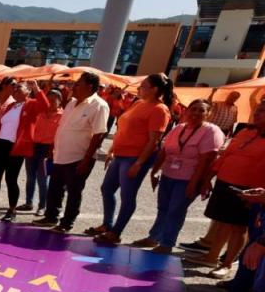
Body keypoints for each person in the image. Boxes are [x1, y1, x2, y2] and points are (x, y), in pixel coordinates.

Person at [131, 100, 222, 254]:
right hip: (168, 175)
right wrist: (155, 171)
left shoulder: (211, 131)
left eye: (201, 110)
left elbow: (206, 161)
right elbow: (164, 151)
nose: (196, 113)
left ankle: (167, 243)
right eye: (193, 109)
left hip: (188, 178)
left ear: (208, 114)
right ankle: (154, 237)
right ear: (187, 111)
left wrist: (194, 183)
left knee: (175, 211)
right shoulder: (179, 128)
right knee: (163, 209)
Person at [92, 73, 173, 245]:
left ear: (154, 89)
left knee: (127, 195)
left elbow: (154, 140)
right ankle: (107, 224)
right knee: (107, 189)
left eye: (143, 86)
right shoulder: (138, 103)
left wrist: (139, 163)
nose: (139, 88)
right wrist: (112, 150)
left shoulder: (160, 109)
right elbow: (122, 128)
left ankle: (116, 232)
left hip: (134, 157)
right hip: (120, 155)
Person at [187, 100, 265, 277]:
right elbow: (225, 155)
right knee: (221, 222)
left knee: (239, 227)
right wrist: (209, 177)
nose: (257, 113)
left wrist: (256, 194)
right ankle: (211, 257)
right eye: (257, 110)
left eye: (262, 111)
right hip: (225, 182)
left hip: (249, 190)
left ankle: (227, 264)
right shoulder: (245, 131)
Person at [34, 71, 110, 233]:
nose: (74, 86)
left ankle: (67, 222)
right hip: (60, 154)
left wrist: (86, 160)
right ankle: (51, 216)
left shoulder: (99, 105)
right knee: (55, 188)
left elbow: (98, 135)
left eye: (78, 84)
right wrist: (53, 147)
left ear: (89, 86)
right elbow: (61, 126)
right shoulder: (71, 103)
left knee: (74, 191)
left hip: (79, 157)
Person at [0, 79, 51, 222]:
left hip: (15, 146)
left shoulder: (31, 104)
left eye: (19, 87)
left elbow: (46, 107)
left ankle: (12, 210)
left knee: (11, 179)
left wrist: (36, 88)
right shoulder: (11, 105)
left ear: (28, 91)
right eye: (14, 87)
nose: (15, 89)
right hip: (1, 144)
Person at [21, 89, 62, 214]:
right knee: (30, 177)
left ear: (60, 101)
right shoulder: (39, 113)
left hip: (47, 149)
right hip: (33, 146)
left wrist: (53, 151)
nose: (50, 102)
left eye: (53, 100)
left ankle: (42, 206)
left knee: (42, 179)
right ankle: (28, 202)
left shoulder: (63, 116)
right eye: (48, 99)